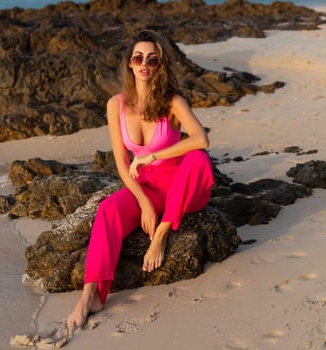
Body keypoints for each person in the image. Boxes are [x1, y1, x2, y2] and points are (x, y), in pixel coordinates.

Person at [67, 29, 214, 328]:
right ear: (130, 64)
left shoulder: (173, 102)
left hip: (182, 186)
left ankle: (161, 233)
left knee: (199, 159)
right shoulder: (115, 105)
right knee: (108, 209)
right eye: (138, 57)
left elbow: (201, 139)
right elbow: (122, 164)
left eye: (152, 59)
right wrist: (144, 203)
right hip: (148, 186)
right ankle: (90, 296)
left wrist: (153, 156)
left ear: (161, 65)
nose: (144, 63)